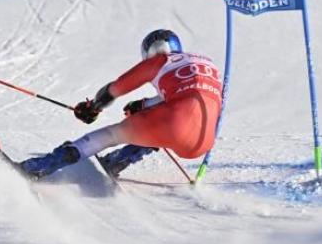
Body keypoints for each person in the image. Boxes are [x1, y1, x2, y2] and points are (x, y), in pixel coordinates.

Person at [19, 29, 223, 179]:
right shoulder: (207, 63)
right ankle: (117, 161)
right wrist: (143, 105)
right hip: (204, 142)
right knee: (161, 123)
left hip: (171, 123)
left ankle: (38, 167)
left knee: (109, 135)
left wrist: (93, 108)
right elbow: (190, 97)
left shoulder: (159, 62)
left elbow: (116, 88)